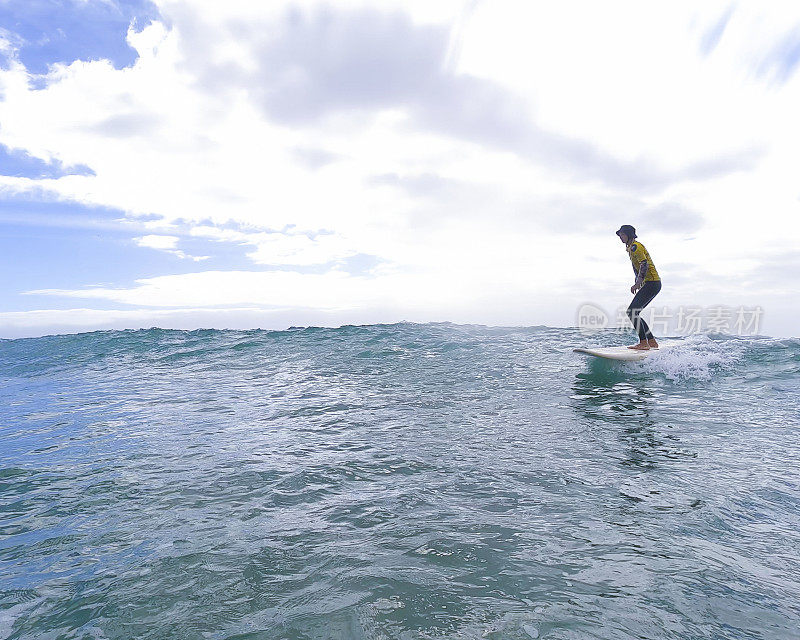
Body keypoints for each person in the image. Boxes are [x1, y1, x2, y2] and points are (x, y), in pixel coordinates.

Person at [616, 225, 661, 350]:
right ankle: (651, 342)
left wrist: (638, 282)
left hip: (652, 282)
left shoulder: (636, 247)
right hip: (651, 283)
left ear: (629, 235)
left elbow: (644, 264)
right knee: (635, 312)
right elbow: (638, 267)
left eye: (623, 235)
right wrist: (638, 281)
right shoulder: (631, 248)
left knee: (632, 312)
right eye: (620, 235)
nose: (621, 237)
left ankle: (643, 343)